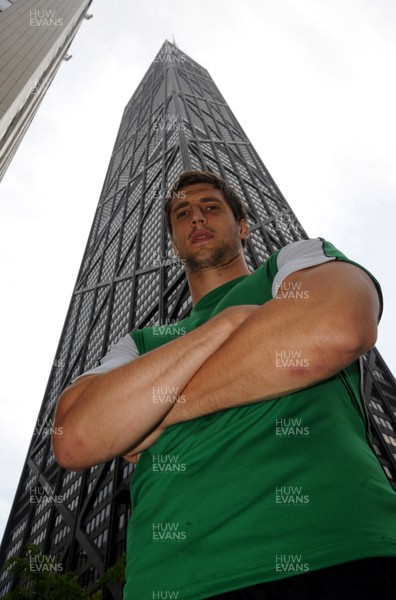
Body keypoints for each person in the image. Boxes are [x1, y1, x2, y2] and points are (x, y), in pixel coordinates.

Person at [53, 170, 396, 600]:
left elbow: (337, 326)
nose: (196, 217)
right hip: (170, 583)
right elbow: (75, 438)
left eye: (211, 207)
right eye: (182, 214)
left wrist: (153, 411)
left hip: (338, 554)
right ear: (174, 244)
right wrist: (228, 327)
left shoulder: (287, 266)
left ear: (244, 226)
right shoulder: (139, 342)